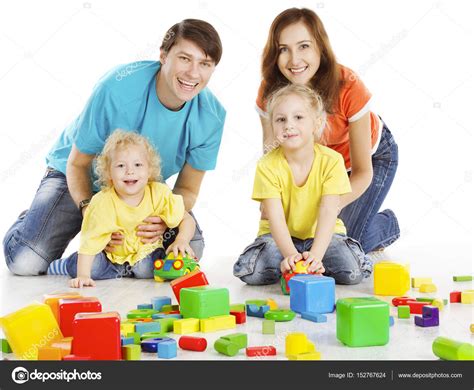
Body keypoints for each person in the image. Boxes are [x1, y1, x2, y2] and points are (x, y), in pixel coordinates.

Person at [3, 19, 226, 276]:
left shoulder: (211, 116)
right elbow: (77, 163)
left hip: (137, 185)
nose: (193, 73)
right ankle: (35, 220)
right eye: (185, 58)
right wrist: (94, 213)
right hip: (78, 175)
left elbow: (186, 189)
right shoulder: (116, 89)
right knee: (26, 262)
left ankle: (113, 261)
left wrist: (164, 221)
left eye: (205, 64)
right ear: (163, 56)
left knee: (190, 248)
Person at [256, 8, 399, 254]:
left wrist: (328, 208)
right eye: (283, 49)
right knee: (304, 239)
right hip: (318, 167)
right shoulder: (271, 91)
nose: (294, 60)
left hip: (368, 159)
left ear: (320, 48)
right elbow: (274, 158)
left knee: (345, 243)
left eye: (303, 46)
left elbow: (363, 172)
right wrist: (273, 207)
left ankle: (387, 225)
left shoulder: (348, 86)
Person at [233, 84, 372, 285]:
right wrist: (290, 255)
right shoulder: (267, 165)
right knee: (253, 272)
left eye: (298, 117)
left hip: (324, 236)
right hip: (279, 238)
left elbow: (328, 211)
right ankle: (298, 265)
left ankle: (314, 264)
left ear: (316, 123)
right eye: (280, 119)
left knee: (353, 272)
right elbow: (275, 217)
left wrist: (316, 254)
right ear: (273, 126)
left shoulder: (332, 161)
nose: (288, 125)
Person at [47, 130, 195, 288]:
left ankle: (135, 271)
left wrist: (182, 240)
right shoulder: (102, 202)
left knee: (147, 268)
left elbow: (186, 219)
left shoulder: (159, 194)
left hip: (145, 254)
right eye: (120, 165)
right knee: (93, 267)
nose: (130, 171)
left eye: (138, 165)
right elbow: (89, 241)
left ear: (149, 170)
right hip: (110, 258)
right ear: (109, 173)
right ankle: (65, 265)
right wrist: (83, 276)